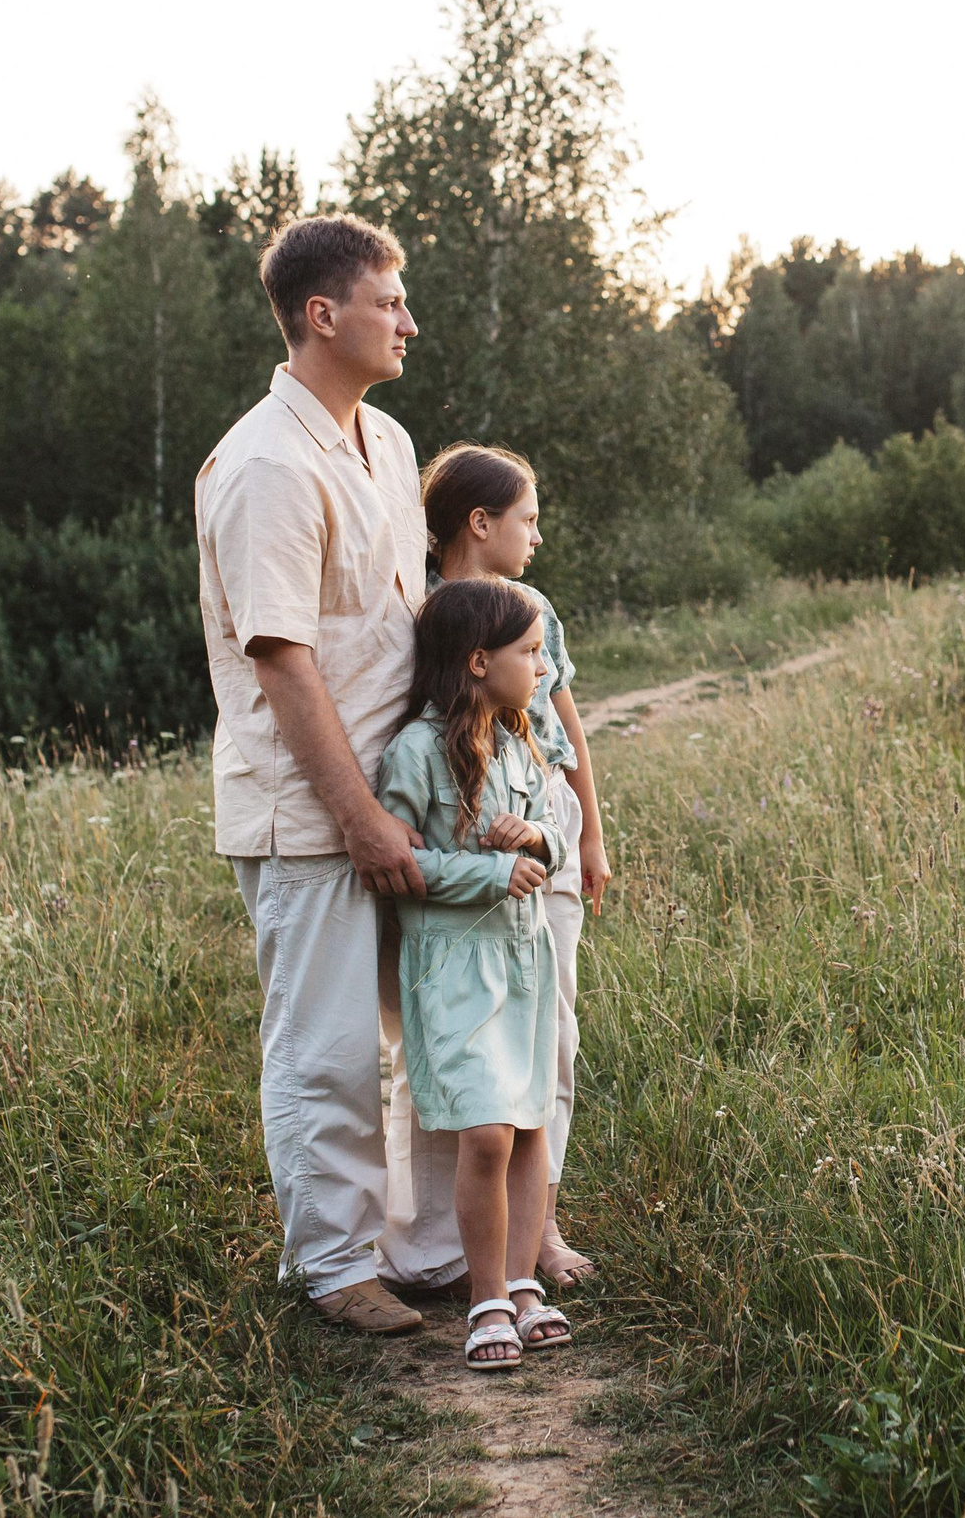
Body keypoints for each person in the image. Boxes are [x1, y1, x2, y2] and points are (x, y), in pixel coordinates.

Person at [194, 213, 429, 1336]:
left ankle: (416, 1245)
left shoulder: (384, 443)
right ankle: (334, 1268)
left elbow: (404, 624)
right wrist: (357, 816)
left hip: (403, 794)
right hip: (313, 810)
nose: (408, 321)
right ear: (322, 314)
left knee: (412, 1030)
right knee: (325, 1045)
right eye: (391, 301)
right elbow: (281, 658)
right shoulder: (265, 464)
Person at [418, 444, 609, 1287]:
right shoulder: (430, 612)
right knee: (467, 1041)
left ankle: (544, 1229)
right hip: (469, 842)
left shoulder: (537, 610)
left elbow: (566, 729)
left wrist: (591, 835)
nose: (536, 535)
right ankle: (455, 1242)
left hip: (547, 831)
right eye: (527, 519)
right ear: (480, 522)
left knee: (551, 1031)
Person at [377, 578, 574, 1369]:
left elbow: (555, 829)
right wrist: (489, 874)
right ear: (478, 661)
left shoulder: (525, 737)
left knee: (528, 1125)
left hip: (526, 961)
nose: (542, 667)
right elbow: (398, 864)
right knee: (486, 1129)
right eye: (530, 654)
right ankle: (484, 1296)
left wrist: (536, 837)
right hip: (455, 969)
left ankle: (523, 1287)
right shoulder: (417, 752)